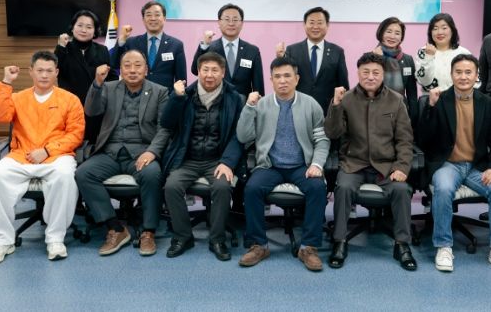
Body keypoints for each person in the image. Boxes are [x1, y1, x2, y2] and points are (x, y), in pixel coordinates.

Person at [0, 51, 85, 264]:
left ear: (56, 72)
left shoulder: (70, 99)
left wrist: (47, 150)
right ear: (31, 72)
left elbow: (76, 134)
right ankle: (3, 240)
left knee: (65, 177)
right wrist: (6, 82)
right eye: (40, 70)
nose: (44, 75)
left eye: (49, 71)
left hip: (56, 156)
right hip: (22, 155)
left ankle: (55, 238)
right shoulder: (17, 98)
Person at [419, 53, 491, 275]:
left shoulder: (489, 104)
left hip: (477, 166)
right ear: (452, 74)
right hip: (448, 164)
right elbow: (423, 139)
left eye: (468, 72)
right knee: (443, 188)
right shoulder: (439, 99)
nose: (463, 77)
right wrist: (430, 108)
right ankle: (443, 246)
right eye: (458, 72)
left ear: (476, 75)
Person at [325, 52, 417, 271]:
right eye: (365, 72)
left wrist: (402, 167)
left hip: (386, 166)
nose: (370, 76)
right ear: (358, 73)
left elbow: (405, 140)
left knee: (401, 190)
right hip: (354, 164)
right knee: (343, 187)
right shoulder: (346, 99)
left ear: (383, 74)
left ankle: (402, 244)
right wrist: (335, 105)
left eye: (376, 72)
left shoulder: (396, 100)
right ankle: (339, 241)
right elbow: (332, 132)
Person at [236, 57, 330, 271]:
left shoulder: (311, 104)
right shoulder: (261, 105)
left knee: (317, 188)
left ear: (297, 79)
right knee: (252, 189)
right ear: (271, 80)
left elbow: (322, 139)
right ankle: (259, 245)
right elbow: (243, 136)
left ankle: (308, 247)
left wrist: (317, 164)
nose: (282, 81)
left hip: (302, 165)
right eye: (277, 76)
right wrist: (249, 107)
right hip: (270, 166)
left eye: (287, 76)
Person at [75, 50, 170, 257]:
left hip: (142, 153)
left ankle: (148, 231)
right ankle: (115, 228)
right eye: (127, 65)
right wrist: (97, 83)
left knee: (152, 174)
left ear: (146, 69)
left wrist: (152, 152)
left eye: (137, 65)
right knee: (83, 173)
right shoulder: (109, 88)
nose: (132, 70)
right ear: (120, 69)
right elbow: (91, 111)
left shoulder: (160, 92)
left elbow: (165, 128)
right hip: (110, 152)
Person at [161, 52, 245, 261]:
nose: (209, 75)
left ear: (223, 73)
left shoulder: (235, 99)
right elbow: (167, 123)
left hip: (218, 160)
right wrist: (176, 98)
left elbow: (239, 136)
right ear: (198, 72)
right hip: (187, 159)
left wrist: (227, 163)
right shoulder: (185, 95)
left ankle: (217, 239)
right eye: (205, 70)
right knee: (171, 186)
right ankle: (183, 236)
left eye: (215, 70)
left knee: (223, 187)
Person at [55, 9, 117, 143]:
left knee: (93, 143)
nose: (84, 30)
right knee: (70, 143)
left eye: (89, 27)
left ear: (95, 31)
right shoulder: (64, 48)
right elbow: (55, 70)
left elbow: (112, 77)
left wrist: (104, 96)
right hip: (69, 106)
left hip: (95, 107)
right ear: (72, 28)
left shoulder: (102, 50)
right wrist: (60, 47)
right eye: (80, 25)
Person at [276, 6, 349, 116]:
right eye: (311, 22)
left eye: (320, 23)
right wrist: (280, 59)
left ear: (327, 25)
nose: (315, 27)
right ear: (304, 25)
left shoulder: (337, 51)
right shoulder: (292, 50)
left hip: (328, 111)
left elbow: (343, 85)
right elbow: (285, 80)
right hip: (298, 109)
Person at [190, 3, 264, 97]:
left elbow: (258, 85)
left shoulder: (252, 51)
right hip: (215, 102)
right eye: (227, 19)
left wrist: (260, 103)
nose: (231, 23)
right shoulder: (210, 48)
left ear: (242, 24)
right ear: (219, 22)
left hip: (244, 104)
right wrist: (204, 46)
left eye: (235, 20)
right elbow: (195, 70)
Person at [110, 0, 187, 89]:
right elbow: (114, 64)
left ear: (164, 18)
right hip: (136, 95)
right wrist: (122, 39)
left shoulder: (176, 45)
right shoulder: (131, 42)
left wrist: (177, 95)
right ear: (143, 20)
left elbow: (181, 80)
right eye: (149, 15)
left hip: (165, 96)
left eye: (157, 15)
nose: (153, 18)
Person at [372, 16, 418, 126]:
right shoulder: (370, 57)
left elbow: (412, 94)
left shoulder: (407, 60)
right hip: (375, 114)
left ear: (401, 37)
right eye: (389, 31)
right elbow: (369, 88)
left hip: (401, 113)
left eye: (397, 33)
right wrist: (378, 60)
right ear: (381, 33)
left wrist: (413, 119)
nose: (392, 36)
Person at [416, 12, 471, 93]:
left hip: (458, 98)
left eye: (444, 28)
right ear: (430, 32)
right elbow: (423, 81)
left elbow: (475, 80)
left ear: (452, 31)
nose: (439, 32)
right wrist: (429, 57)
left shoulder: (464, 53)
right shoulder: (424, 52)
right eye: (435, 29)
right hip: (431, 99)